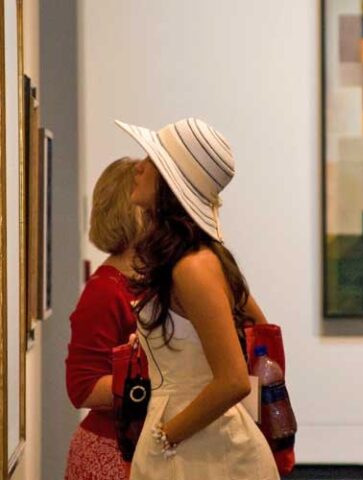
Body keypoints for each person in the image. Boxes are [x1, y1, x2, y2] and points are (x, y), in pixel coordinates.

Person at [116, 118, 279, 480]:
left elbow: (234, 378)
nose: (138, 167)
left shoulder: (193, 267)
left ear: (171, 184)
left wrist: (166, 435)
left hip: (204, 453)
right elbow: (257, 328)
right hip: (196, 445)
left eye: (151, 160)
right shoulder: (196, 260)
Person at [65, 157, 141, 480]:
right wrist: (161, 384)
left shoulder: (149, 282)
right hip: (109, 453)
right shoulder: (105, 291)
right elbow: (83, 388)